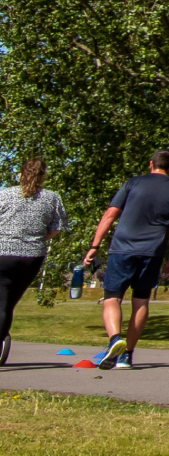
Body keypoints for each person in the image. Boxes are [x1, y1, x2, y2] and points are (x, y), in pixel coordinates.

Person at [82, 149, 169, 371]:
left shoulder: (132, 183)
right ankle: (126, 356)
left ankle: (115, 339)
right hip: (152, 252)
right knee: (141, 300)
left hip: (123, 249)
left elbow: (110, 214)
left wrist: (94, 246)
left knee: (112, 297)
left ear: (151, 164)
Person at [1, 155, 71, 366]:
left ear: (20, 174)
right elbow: (57, 228)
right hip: (31, 256)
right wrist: (38, 238)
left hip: (2, 252)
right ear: (44, 177)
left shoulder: (4, 194)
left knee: (1, 300)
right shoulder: (52, 198)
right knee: (8, 303)